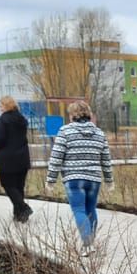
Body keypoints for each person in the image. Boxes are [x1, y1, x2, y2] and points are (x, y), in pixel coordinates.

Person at [44, 101, 114, 252]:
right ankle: (90, 242)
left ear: (72, 116)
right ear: (89, 115)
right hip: (94, 180)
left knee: (79, 210)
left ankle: (88, 245)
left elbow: (56, 157)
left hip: (74, 179)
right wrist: (109, 180)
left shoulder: (65, 132)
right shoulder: (99, 134)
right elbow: (106, 160)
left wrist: (50, 180)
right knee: (91, 209)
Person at [0, 96, 32, 222]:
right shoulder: (22, 119)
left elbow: (0, 139)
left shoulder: (3, 120)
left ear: (6, 106)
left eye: (1, 105)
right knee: (19, 187)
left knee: (8, 185)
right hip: (23, 158)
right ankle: (19, 215)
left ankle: (24, 208)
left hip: (7, 159)